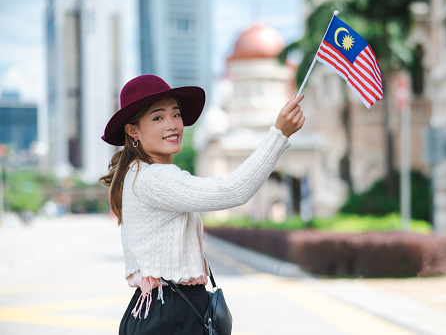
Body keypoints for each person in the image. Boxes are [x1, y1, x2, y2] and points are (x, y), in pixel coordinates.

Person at [99, 74, 305, 335]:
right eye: (158, 117)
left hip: (159, 310)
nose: (173, 124)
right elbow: (232, 191)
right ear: (133, 130)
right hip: (171, 314)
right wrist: (279, 135)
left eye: (176, 114)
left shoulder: (137, 173)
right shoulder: (154, 178)